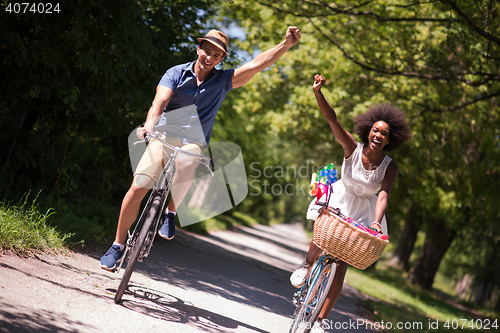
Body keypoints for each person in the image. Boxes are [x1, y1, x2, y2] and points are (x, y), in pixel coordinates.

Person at [100, 27, 301, 271]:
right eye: (206, 51)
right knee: (138, 186)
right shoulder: (175, 73)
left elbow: (257, 64)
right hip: (163, 134)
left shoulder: (223, 81)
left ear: (221, 59)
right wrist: (148, 127)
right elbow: (159, 103)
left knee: (188, 160)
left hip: (193, 141)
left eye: (216, 55)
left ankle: (170, 214)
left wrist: (286, 43)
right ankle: (118, 246)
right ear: (199, 49)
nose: (209, 57)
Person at [290, 74, 411, 333]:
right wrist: (318, 93)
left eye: (384, 134)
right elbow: (332, 119)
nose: (378, 135)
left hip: (364, 210)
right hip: (340, 197)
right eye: (375, 130)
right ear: (368, 131)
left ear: (390, 140)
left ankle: (320, 321)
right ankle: (307, 264)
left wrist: (377, 222)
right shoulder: (352, 148)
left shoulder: (390, 167)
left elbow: (383, 194)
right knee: (323, 236)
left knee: (341, 266)